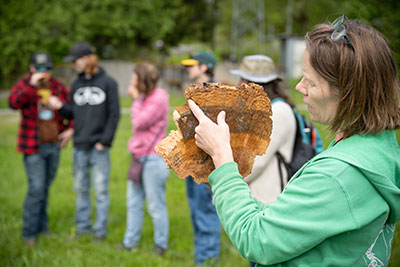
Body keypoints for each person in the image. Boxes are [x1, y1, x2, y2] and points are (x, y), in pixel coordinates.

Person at [188, 16, 400, 266]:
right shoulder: (375, 146)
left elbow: (257, 239)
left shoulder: (337, 175)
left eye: (311, 81)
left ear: (348, 93)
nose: (300, 87)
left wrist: (221, 157)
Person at [47, 41, 120, 241]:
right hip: (79, 146)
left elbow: (114, 115)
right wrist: (60, 106)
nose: (73, 65)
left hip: (99, 147)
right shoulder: (77, 84)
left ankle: (99, 231)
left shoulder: (108, 83)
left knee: (101, 190)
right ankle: (82, 228)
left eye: (76, 60)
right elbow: (73, 112)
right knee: (80, 189)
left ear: (87, 58)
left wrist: (104, 142)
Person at [8, 51, 73, 246]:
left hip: (54, 145)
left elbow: (72, 111)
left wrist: (70, 130)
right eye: (40, 68)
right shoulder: (25, 84)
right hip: (33, 146)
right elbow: (13, 103)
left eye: (47, 68)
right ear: (32, 68)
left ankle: (42, 228)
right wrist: (31, 85)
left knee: (44, 188)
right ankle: (29, 234)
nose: (44, 72)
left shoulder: (57, 86)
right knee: (36, 188)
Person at [230, 55, 297, 204]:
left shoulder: (278, 111)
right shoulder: (261, 111)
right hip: (254, 198)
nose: (238, 85)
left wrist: (226, 181)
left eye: (243, 80)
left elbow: (255, 162)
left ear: (257, 84)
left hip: (267, 201)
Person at [181, 51, 221, 266]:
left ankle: (207, 258)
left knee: (205, 210)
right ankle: (202, 254)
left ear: (204, 67)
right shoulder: (196, 91)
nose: (188, 69)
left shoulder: (215, 94)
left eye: (192, 65)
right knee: (196, 210)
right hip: (192, 160)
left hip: (206, 163)